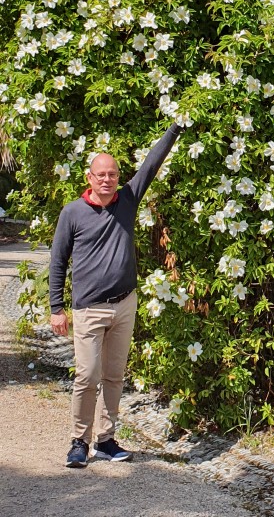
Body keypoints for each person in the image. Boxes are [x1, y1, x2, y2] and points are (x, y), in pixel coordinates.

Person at [49, 122, 183, 468]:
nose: (107, 180)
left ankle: (106, 441)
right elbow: (58, 261)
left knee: (113, 375)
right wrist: (56, 308)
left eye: (112, 174)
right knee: (87, 375)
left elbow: (151, 164)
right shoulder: (72, 213)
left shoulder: (127, 200)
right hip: (89, 309)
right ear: (89, 178)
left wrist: (174, 129)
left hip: (124, 304)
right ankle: (79, 440)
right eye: (100, 174)